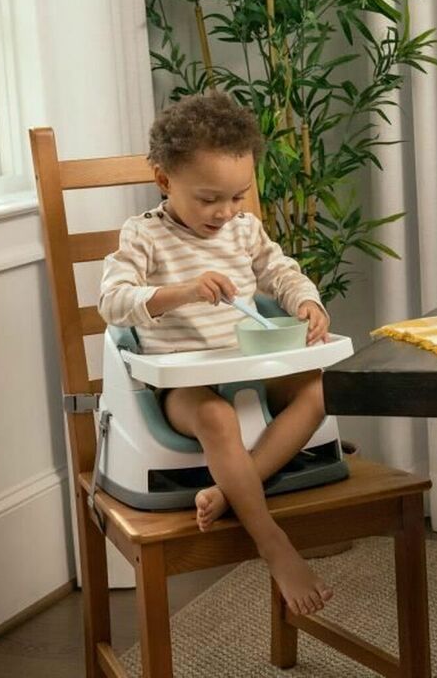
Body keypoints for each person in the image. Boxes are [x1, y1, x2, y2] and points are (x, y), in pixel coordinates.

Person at [99, 91, 332, 616]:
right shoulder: (145, 235)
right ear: (164, 181)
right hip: (183, 385)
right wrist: (181, 291)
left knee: (317, 391)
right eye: (209, 199)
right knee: (217, 416)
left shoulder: (244, 229)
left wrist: (306, 303)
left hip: (244, 363)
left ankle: (228, 492)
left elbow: (281, 272)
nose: (225, 212)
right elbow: (112, 302)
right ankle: (272, 541)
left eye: (237, 196)